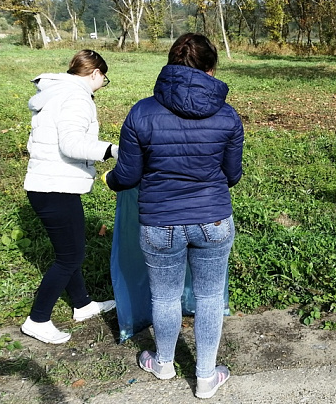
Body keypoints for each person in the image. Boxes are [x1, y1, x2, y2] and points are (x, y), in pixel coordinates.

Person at [104, 33, 243, 400]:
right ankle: (206, 377)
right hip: (212, 220)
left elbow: (128, 177)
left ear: (168, 66)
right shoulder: (227, 115)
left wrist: (109, 179)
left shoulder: (141, 111)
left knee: (164, 298)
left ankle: (163, 364)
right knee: (210, 297)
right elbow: (232, 175)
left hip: (159, 223)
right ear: (212, 70)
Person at [22, 50, 118, 345]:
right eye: (105, 78)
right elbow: (73, 144)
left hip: (51, 184)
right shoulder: (76, 97)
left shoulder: (57, 92)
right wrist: (113, 150)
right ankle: (37, 319)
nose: (103, 83)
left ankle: (82, 304)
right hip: (54, 186)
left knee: (71, 250)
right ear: (95, 73)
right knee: (70, 256)